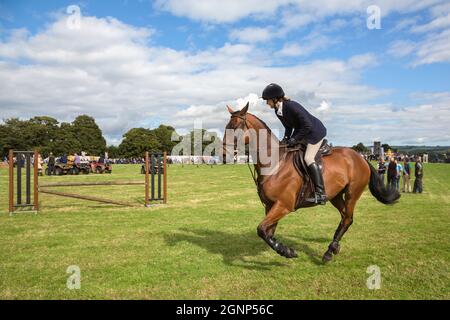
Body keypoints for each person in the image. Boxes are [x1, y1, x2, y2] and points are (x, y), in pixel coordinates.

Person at [261, 83, 327, 204]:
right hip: (303, 132)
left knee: (308, 158)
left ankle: (320, 193)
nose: (267, 103)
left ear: (275, 99)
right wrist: (286, 139)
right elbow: (288, 127)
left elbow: (307, 126)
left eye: (268, 100)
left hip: (314, 133)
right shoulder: (278, 110)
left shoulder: (292, 106)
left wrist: (294, 139)